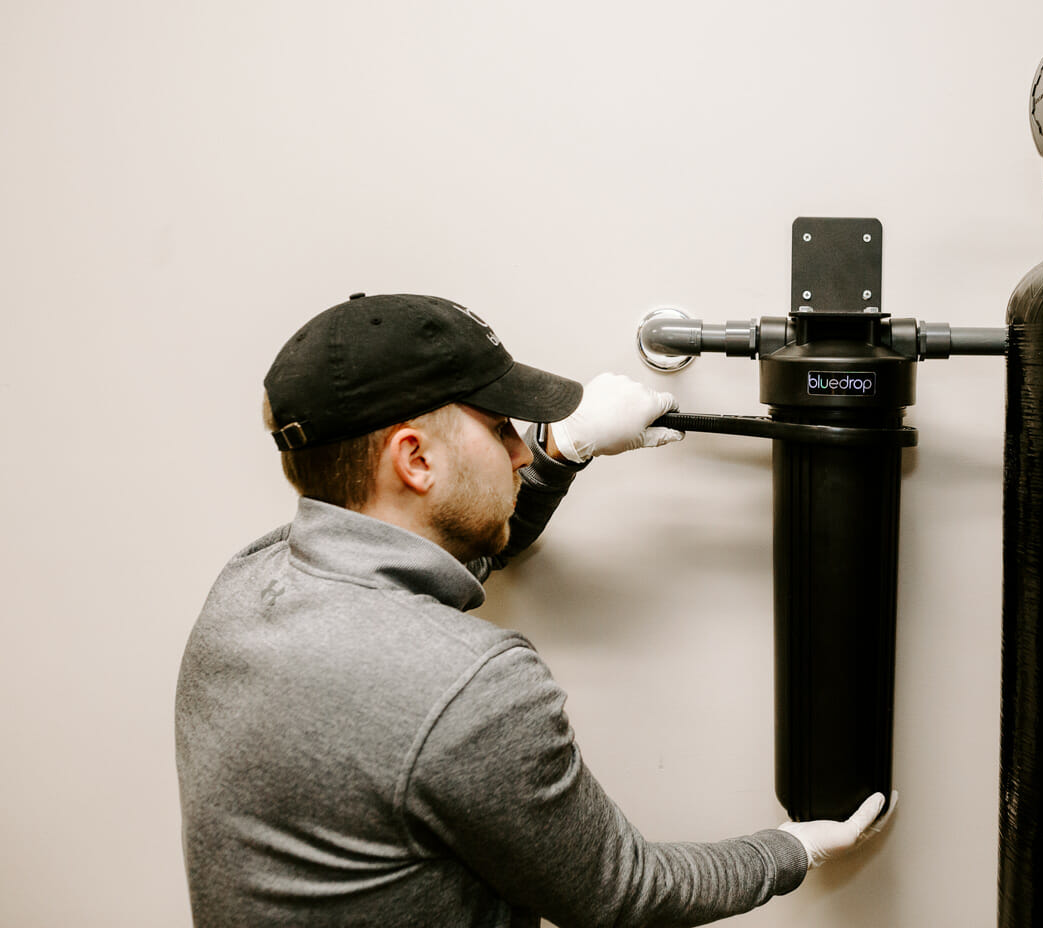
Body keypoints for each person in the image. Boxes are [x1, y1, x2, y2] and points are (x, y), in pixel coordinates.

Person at [175, 293, 890, 928]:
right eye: (499, 428)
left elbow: (441, 555)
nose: (521, 451)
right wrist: (790, 849)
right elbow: (622, 893)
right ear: (415, 460)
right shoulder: (470, 688)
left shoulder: (247, 585)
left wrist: (566, 450)